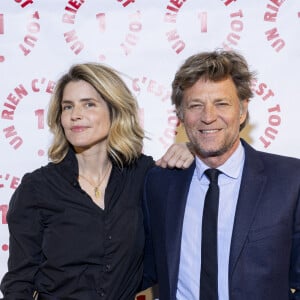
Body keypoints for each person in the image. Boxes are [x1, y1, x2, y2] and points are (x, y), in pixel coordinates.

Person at [0, 62, 194, 300]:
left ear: (114, 111)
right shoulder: (38, 188)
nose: (75, 115)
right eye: (67, 106)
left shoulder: (143, 175)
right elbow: (19, 283)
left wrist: (193, 150)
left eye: (89, 104)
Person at [142, 49, 300, 300]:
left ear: (242, 110)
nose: (208, 117)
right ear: (181, 116)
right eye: (195, 106)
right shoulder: (160, 183)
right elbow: (141, 267)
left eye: (221, 103)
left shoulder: (291, 180)